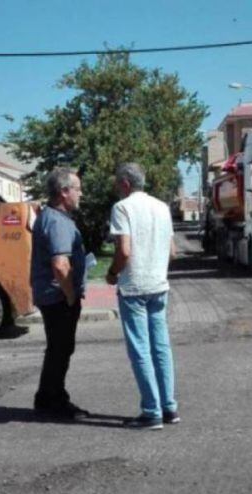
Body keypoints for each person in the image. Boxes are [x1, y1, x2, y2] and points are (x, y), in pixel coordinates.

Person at [107, 163, 178, 430]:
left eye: (117, 183)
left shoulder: (122, 208)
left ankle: (151, 411)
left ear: (125, 183)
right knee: (161, 347)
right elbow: (172, 252)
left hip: (134, 287)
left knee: (140, 350)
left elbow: (124, 251)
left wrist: (112, 273)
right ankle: (169, 406)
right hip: (159, 285)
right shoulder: (162, 207)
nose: (116, 187)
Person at [30, 167, 90, 419]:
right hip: (57, 298)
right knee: (60, 349)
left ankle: (47, 397)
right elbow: (60, 264)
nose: (81, 193)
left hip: (52, 295)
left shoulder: (52, 217)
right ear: (64, 192)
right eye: (77, 189)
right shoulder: (56, 221)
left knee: (58, 348)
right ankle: (54, 401)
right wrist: (70, 295)